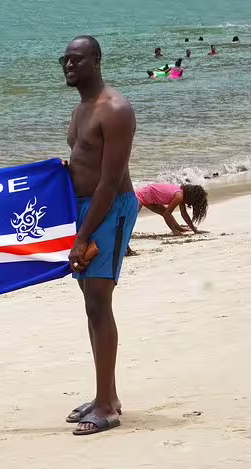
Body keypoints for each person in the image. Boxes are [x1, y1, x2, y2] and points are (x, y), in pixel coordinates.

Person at [61, 35, 138, 435]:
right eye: (65, 60)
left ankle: (107, 405)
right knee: (91, 302)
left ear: (97, 60)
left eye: (77, 59)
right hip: (85, 211)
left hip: (110, 209)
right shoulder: (80, 108)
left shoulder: (116, 109)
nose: (69, 65)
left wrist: (82, 235)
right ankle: (104, 394)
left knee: (98, 301)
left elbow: (109, 181)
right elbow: (81, 161)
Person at [135, 184, 208, 235]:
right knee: (130, 217)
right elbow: (166, 214)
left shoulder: (181, 195)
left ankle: (179, 228)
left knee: (164, 212)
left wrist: (195, 230)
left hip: (150, 197)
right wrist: (174, 230)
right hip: (143, 194)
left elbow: (184, 214)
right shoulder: (179, 196)